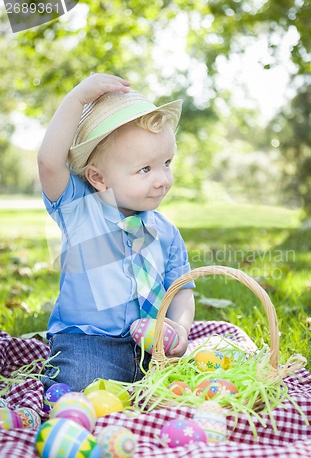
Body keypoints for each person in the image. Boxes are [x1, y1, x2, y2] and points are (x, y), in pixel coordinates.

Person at [38, 73, 195, 392]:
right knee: (78, 384)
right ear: (98, 177)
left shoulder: (164, 232)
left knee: (187, 387)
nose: (162, 178)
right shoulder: (82, 209)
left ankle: (143, 390)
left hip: (152, 348)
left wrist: (179, 328)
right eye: (145, 169)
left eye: (167, 162)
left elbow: (181, 289)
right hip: (90, 342)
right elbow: (49, 163)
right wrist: (77, 99)